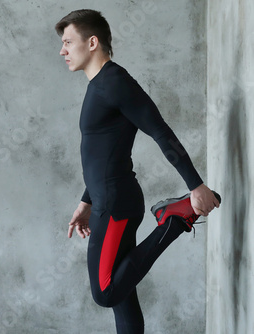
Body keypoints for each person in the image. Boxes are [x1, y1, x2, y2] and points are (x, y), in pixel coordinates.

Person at [55, 9, 220, 334]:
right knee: (122, 297)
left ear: (92, 42)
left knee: (106, 293)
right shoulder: (98, 85)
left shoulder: (115, 82)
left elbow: (160, 130)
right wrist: (85, 201)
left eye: (68, 42)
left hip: (116, 204)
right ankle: (172, 216)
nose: (62, 50)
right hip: (105, 199)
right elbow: (101, 153)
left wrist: (195, 185)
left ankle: (174, 219)